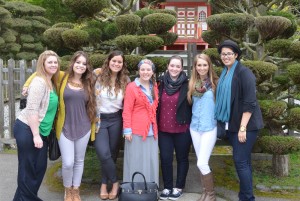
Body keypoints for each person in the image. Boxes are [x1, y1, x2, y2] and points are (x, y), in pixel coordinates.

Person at [23, 51, 97, 201]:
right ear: (72, 63)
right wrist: (26, 84)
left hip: (84, 127)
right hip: (64, 127)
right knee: (68, 162)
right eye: (78, 62)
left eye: (84, 63)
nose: (81, 66)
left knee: (79, 160)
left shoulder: (90, 81)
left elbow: (103, 73)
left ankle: (75, 190)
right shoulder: (62, 77)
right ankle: (67, 188)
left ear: (87, 67)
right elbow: (40, 73)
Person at [215, 40, 263, 201]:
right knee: (244, 162)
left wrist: (243, 128)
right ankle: (244, 196)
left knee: (240, 161)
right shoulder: (225, 73)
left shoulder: (244, 73)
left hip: (246, 126)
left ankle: (248, 198)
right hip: (233, 124)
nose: (226, 56)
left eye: (229, 53)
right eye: (223, 54)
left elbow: (250, 102)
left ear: (236, 55)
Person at [13, 50, 60, 201]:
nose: (53, 64)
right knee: (28, 170)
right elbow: (32, 110)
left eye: (55, 62)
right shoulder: (39, 82)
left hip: (42, 133)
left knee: (38, 170)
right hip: (28, 130)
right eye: (50, 62)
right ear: (43, 64)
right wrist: (35, 135)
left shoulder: (51, 80)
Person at [94, 50, 129, 200]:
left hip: (116, 119)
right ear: (108, 61)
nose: (116, 64)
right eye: (114, 61)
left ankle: (104, 183)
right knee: (104, 153)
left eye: (119, 62)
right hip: (100, 120)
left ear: (122, 64)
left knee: (112, 154)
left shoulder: (126, 80)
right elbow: (71, 75)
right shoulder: (97, 75)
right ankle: (115, 182)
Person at [157, 55, 192, 200]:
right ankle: (167, 187)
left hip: (182, 128)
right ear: (167, 66)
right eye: (172, 65)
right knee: (165, 158)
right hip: (163, 128)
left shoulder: (188, 84)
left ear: (182, 68)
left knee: (182, 158)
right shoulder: (160, 83)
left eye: (178, 66)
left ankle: (179, 187)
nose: (174, 69)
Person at [122, 59, 159, 186]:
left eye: (148, 69)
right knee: (135, 160)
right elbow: (127, 110)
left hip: (152, 130)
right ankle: (134, 190)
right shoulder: (132, 87)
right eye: (142, 69)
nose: (145, 72)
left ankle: (149, 189)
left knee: (150, 160)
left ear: (152, 72)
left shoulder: (154, 86)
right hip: (136, 130)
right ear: (138, 71)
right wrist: (127, 130)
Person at [187, 54, 219, 201]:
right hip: (195, 127)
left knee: (202, 162)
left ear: (209, 66)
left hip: (209, 127)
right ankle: (205, 192)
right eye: (198, 65)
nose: (201, 68)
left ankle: (211, 194)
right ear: (195, 67)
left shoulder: (216, 84)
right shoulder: (192, 83)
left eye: (204, 65)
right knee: (201, 161)